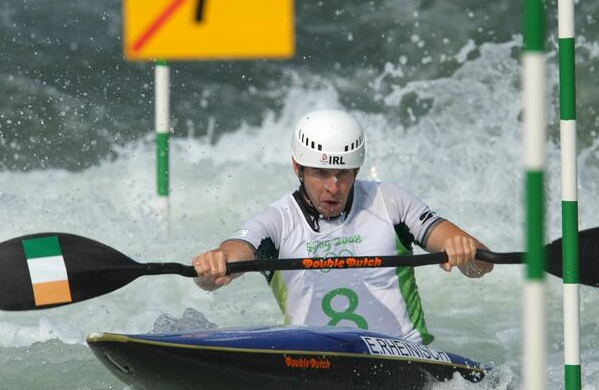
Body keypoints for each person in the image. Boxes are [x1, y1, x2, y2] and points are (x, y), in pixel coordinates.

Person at [192, 109, 492, 345]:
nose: (333, 187)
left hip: (405, 356)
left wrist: (465, 253)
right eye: (321, 173)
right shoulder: (278, 220)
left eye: (343, 174)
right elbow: (235, 252)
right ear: (298, 168)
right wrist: (217, 263)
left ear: (356, 170)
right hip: (314, 361)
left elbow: (482, 265)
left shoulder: (391, 201)